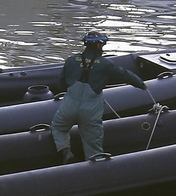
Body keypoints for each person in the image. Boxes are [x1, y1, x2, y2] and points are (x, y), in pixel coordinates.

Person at [50, 31, 147, 162]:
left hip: (69, 106)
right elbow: (124, 74)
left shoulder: (71, 61)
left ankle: (66, 150)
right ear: (99, 45)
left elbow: (61, 84)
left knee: (58, 127)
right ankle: (94, 168)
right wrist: (141, 84)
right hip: (91, 110)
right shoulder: (106, 64)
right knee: (93, 145)